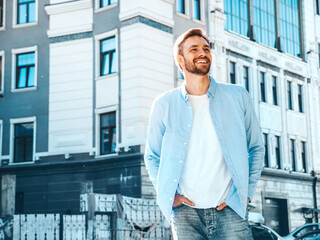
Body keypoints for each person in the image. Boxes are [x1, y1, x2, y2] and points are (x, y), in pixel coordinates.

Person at [144, 28, 265, 240]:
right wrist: (169, 195)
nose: (203, 53)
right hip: (185, 216)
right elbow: (152, 155)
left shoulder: (238, 96)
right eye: (194, 49)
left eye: (206, 48)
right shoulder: (164, 104)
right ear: (180, 59)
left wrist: (244, 195)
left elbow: (256, 148)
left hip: (231, 210)